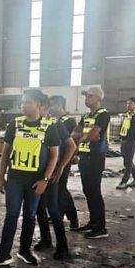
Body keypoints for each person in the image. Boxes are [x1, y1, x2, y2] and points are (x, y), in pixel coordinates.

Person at [0, 89, 60, 267]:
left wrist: (45, 180)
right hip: (15, 179)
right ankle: (3, 254)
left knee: (30, 216)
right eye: (22, 102)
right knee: (11, 215)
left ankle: (24, 251)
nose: (23, 106)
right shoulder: (15, 124)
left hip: (35, 181)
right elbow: (5, 152)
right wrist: (1, 177)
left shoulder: (49, 127)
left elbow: (54, 156)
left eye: (27, 102)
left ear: (38, 104)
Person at [33, 97, 77, 260]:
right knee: (39, 208)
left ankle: (62, 247)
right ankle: (45, 240)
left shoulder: (55, 124)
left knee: (52, 207)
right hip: (34, 173)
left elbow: (71, 146)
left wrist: (61, 167)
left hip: (50, 173)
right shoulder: (29, 124)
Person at [71, 87, 110, 239]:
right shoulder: (86, 115)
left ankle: (100, 227)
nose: (86, 99)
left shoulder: (103, 115)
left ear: (99, 98)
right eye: (86, 96)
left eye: (90, 96)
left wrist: (82, 136)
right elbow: (74, 134)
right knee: (88, 191)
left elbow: (94, 136)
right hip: (85, 157)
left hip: (95, 158)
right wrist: (84, 136)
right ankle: (93, 222)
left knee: (94, 191)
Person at [48, 95, 79, 230]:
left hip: (63, 160)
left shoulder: (68, 121)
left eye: (51, 106)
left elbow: (72, 143)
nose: (49, 109)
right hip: (55, 159)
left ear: (59, 105)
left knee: (61, 189)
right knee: (56, 189)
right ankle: (58, 214)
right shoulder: (57, 120)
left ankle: (73, 218)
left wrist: (71, 158)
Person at [117, 97, 135, 190]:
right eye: (127, 103)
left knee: (127, 162)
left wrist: (128, 140)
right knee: (127, 160)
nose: (128, 105)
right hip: (124, 140)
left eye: (130, 103)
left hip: (131, 141)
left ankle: (124, 181)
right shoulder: (128, 115)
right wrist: (121, 137)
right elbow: (124, 127)